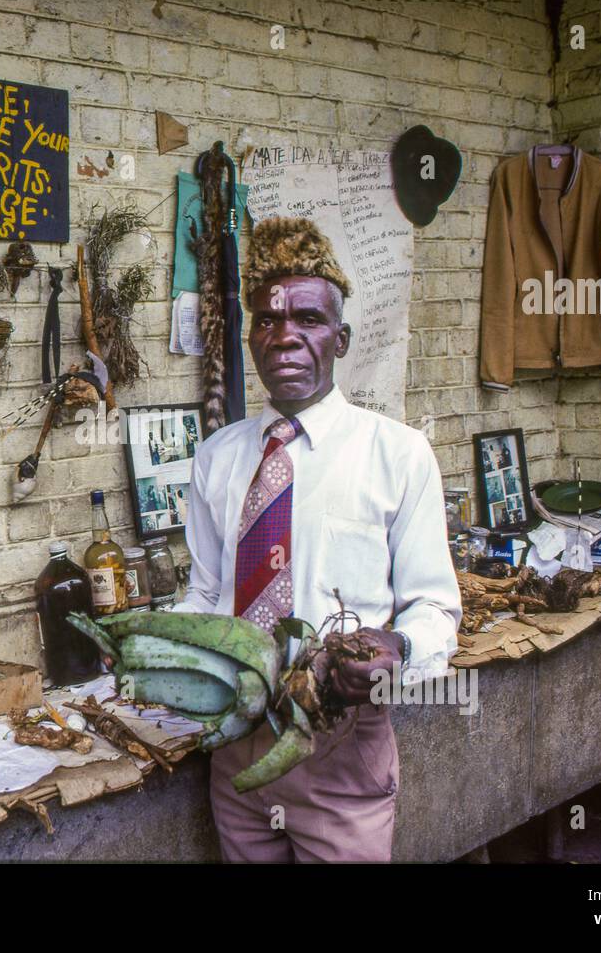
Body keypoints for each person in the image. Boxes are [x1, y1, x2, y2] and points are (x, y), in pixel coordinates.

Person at [177, 217, 461, 862]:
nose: (285, 338)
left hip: (340, 747)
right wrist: (156, 645)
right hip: (237, 746)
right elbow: (205, 594)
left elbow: (437, 607)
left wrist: (400, 644)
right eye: (267, 322)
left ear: (341, 337)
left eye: (307, 319)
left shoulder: (398, 454)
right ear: (250, 338)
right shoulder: (217, 458)